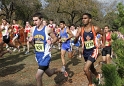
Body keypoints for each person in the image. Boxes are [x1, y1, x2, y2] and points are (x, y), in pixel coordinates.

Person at [29, 12, 62, 86]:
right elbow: (34, 45)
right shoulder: (32, 29)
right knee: (49, 73)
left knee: (38, 76)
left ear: (41, 20)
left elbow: (55, 38)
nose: (34, 22)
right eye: (33, 20)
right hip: (38, 55)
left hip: (46, 55)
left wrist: (52, 42)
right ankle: (60, 70)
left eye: (36, 20)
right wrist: (31, 42)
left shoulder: (47, 29)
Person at [75, 13, 106, 86]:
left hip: (93, 51)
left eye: (85, 18)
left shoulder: (95, 28)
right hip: (85, 51)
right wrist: (76, 37)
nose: (83, 20)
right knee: (91, 68)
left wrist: (103, 43)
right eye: (82, 18)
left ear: (90, 20)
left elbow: (103, 34)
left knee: (86, 69)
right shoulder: (80, 29)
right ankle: (97, 75)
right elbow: (75, 42)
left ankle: (90, 84)